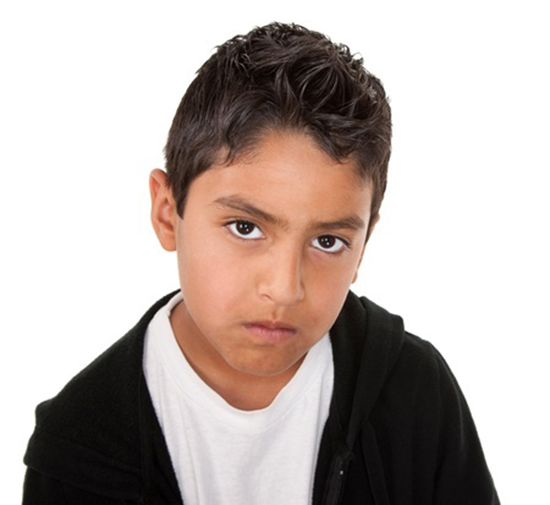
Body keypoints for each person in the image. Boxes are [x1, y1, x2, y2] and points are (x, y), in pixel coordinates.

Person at [22, 22, 499, 504]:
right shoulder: (76, 449)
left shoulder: (416, 395)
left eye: (328, 241)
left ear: (364, 245)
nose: (284, 288)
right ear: (168, 214)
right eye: (245, 228)